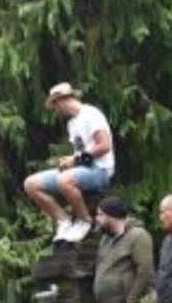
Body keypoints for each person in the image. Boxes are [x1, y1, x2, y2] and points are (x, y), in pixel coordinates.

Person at [23, 82, 116, 244]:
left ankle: (84, 221)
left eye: (55, 105)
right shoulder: (72, 124)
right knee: (31, 184)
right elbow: (81, 152)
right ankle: (64, 222)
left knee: (64, 180)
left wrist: (75, 159)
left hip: (101, 170)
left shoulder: (91, 114)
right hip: (84, 169)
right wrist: (70, 162)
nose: (55, 110)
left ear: (61, 101)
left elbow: (105, 145)